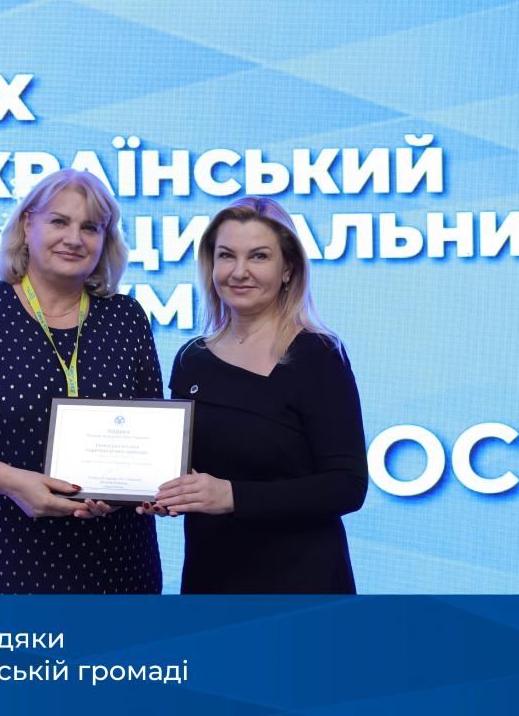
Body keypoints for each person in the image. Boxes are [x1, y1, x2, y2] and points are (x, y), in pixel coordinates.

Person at [0, 169, 163, 594]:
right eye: (59, 221)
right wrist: (14, 483)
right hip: (3, 566)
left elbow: (152, 441)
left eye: (90, 228)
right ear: (27, 225)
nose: (74, 239)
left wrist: (137, 489)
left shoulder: (126, 318)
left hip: (119, 568)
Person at [144, 197, 367, 593]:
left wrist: (232, 496)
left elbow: (347, 486)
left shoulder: (318, 355)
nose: (239, 272)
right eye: (226, 256)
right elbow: (187, 470)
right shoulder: (192, 359)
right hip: (211, 582)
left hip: (300, 587)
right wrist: (161, 492)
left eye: (259, 256)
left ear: (288, 269)